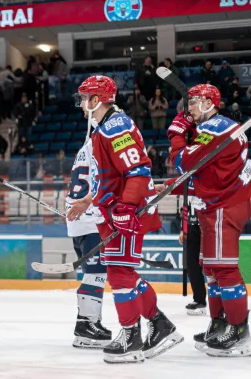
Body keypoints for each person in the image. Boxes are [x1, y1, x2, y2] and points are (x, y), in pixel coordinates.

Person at [77, 75, 182, 364]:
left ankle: (131, 337)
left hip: (125, 212)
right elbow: (110, 175)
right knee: (124, 273)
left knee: (120, 275)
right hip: (115, 211)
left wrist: (126, 207)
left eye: (85, 97)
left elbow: (137, 169)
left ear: (97, 99)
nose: (82, 102)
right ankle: (160, 325)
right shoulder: (104, 127)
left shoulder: (116, 125)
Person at [163, 84, 251, 356]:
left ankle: (239, 330)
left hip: (225, 204)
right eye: (188, 102)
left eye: (194, 102)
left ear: (210, 103)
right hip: (216, 203)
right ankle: (219, 323)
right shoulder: (217, 129)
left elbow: (183, 162)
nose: (188, 108)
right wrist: (167, 186)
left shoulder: (216, 129)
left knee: (224, 270)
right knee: (211, 271)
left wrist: (177, 134)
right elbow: (204, 174)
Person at [64, 133, 111, 349]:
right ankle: (85, 327)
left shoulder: (85, 147)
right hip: (91, 218)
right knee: (96, 274)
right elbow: (105, 179)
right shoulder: (102, 142)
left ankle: (93, 322)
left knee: (94, 273)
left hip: (79, 220)